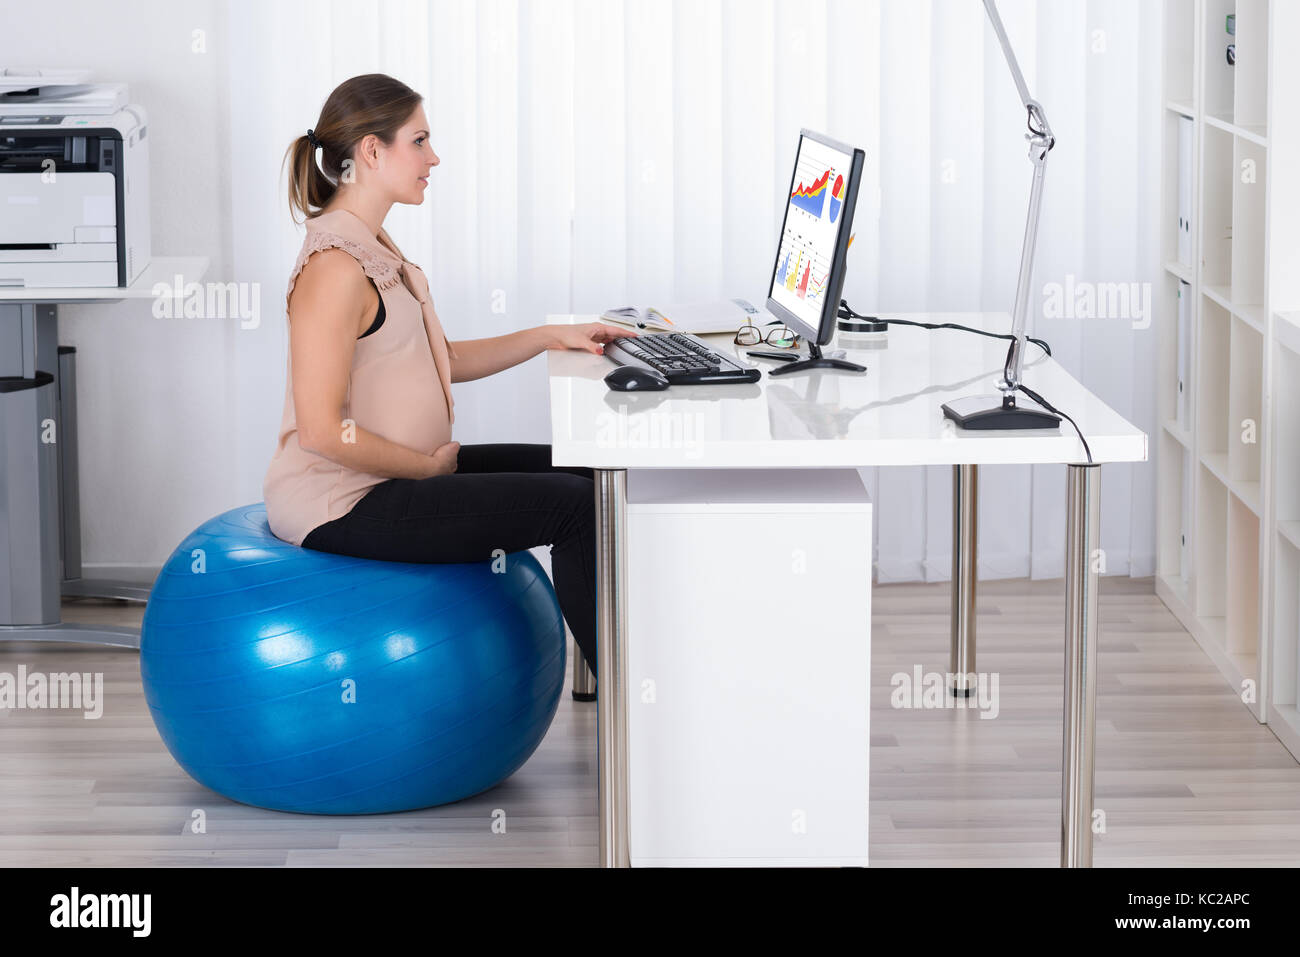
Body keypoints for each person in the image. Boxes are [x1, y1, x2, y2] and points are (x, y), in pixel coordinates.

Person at [263, 74, 636, 681]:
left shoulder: (372, 245)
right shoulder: (334, 268)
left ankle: (613, 678)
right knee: (573, 508)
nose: (433, 158)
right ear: (372, 152)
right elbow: (322, 433)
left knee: (589, 475)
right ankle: (633, 712)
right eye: (420, 141)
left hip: (396, 472)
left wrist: (549, 336)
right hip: (345, 500)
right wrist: (430, 470)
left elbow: (443, 362)